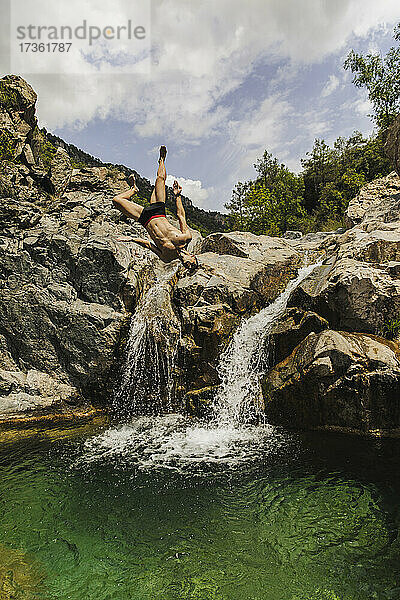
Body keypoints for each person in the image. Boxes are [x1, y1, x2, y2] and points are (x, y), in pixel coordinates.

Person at [112, 146, 198, 270]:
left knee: (116, 201)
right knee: (160, 179)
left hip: (145, 219)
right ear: (192, 256)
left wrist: (131, 239)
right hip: (158, 212)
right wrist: (178, 196)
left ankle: (134, 190)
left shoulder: (167, 257)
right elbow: (181, 216)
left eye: (187, 267)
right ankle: (162, 159)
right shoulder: (186, 238)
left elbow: (148, 245)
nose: (186, 265)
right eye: (190, 263)